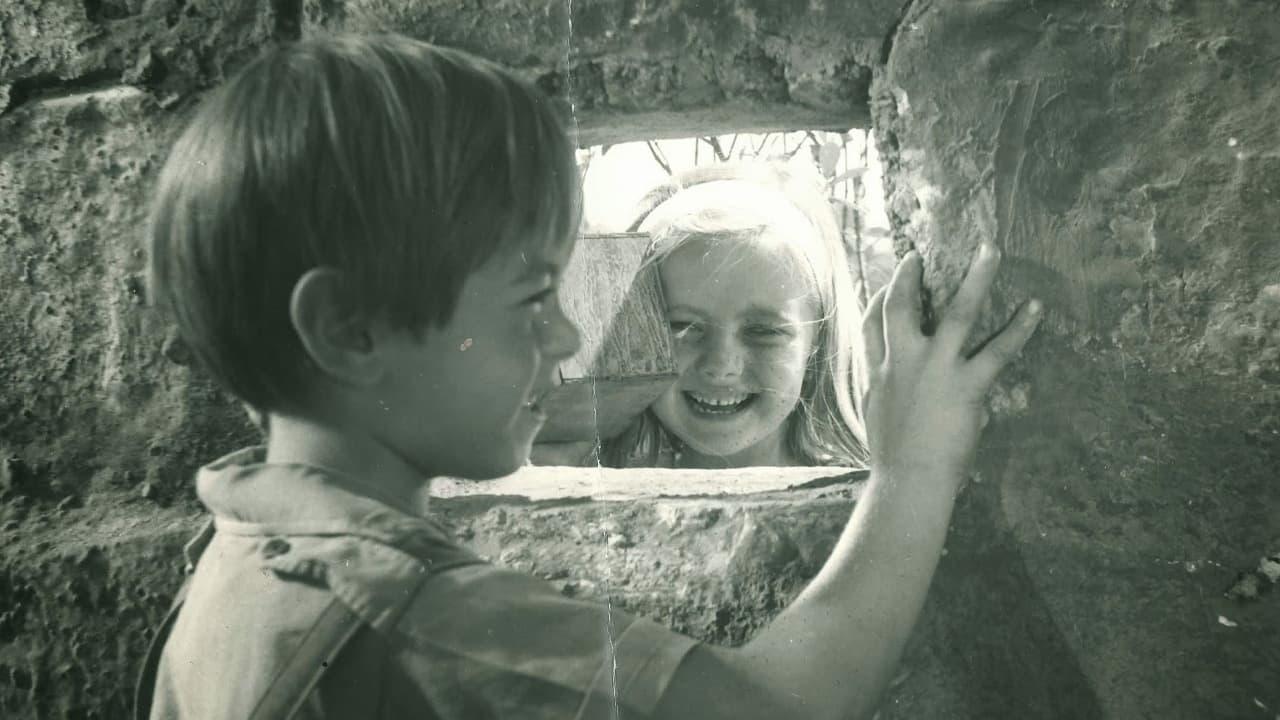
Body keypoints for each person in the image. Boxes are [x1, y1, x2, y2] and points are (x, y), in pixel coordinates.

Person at [140, 32, 1043, 720]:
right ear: (348, 329)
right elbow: (782, 708)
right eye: (536, 295)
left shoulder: (235, 563)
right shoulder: (422, 615)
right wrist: (915, 469)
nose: (572, 334)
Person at [597, 162, 869, 469]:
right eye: (682, 327)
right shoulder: (598, 484)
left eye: (763, 331)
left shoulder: (862, 495)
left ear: (817, 345)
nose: (720, 366)